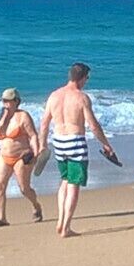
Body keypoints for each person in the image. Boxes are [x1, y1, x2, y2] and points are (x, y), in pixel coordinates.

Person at [43, 62, 119, 238]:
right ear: (82, 78)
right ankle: (66, 227)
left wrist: (42, 145)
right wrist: (106, 144)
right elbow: (93, 125)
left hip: (58, 142)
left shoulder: (54, 96)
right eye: (87, 78)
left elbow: (44, 123)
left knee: (65, 180)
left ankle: (60, 220)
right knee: (74, 184)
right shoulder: (82, 98)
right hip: (75, 142)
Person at [0, 88, 43, 227]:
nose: (6, 104)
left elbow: (33, 135)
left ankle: (36, 205)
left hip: (22, 156)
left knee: (24, 189)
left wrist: (36, 152)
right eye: (3, 101)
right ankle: (2, 218)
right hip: (4, 156)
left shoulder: (23, 116)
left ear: (16, 101)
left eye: (8, 101)